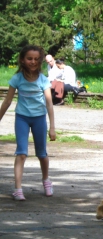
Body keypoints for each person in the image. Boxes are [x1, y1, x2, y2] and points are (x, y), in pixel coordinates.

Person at [0, 45, 56, 201]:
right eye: (29, 58)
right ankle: (18, 188)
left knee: (42, 153)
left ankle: (46, 180)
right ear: (23, 60)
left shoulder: (43, 80)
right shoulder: (17, 79)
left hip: (39, 119)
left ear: (40, 61)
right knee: (21, 153)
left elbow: (49, 104)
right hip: (22, 118)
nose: (33, 61)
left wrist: (52, 127)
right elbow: (7, 101)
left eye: (36, 59)